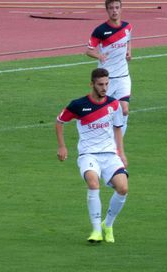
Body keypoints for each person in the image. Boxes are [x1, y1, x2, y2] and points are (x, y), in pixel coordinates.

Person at [56, 68, 128, 244]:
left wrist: (122, 153)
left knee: (123, 188)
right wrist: (62, 146)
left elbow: (118, 128)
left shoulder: (114, 104)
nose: (104, 88)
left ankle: (107, 225)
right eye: (101, 84)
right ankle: (96, 230)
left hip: (110, 154)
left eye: (106, 84)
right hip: (88, 154)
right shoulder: (78, 105)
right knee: (93, 182)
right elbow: (59, 122)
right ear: (92, 84)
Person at [85, 0, 132, 135]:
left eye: (117, 7)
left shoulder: (127, 27)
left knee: (124, 110)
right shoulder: (100, 30)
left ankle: (117, 146)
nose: (114, 11)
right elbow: (89, 50)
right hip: (107, 79)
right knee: (101, 112)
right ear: (107, 10)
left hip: (123, 76)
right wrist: (99, 56)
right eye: (111, 8)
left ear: (121, 9)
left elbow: (128, 40)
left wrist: (129, 51)